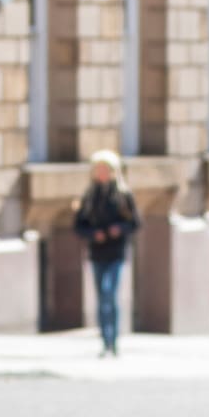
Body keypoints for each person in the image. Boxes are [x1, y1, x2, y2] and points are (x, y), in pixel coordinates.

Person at [72, 150, 139, 358]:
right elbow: (78, 226)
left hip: (116, 252)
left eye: (105, 169)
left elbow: (134, 223)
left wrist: (118, 229)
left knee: (109, 293)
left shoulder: (122, 195)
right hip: (97, 252)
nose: (101, 173)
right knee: (102, 296)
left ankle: (113, 339)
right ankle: (104, 339)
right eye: (98, 169)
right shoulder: (89, 196)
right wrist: (93, 234)